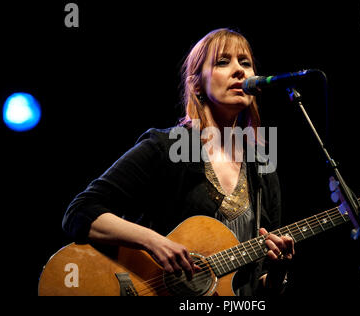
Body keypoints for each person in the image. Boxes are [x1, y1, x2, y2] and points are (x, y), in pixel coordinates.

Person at [62, 28, 295, 296]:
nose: (239, 71)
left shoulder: (262, 169)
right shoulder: (166, 147)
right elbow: (80, 211)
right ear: (196, 84)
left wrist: (278, 273)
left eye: (245, 62)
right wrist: (153, 242)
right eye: (223, 62)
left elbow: (258, 287)